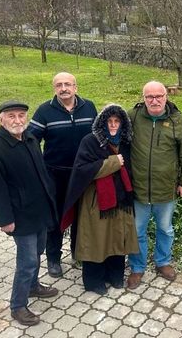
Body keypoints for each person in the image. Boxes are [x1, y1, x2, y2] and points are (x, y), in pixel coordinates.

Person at [0, 100, 59, 326]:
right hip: (20, 216)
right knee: (26, 261)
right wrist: (5, 220)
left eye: (21, 116)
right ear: (1, 119)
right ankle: (18, 306)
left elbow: (41, 172)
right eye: (11, 116)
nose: (17, 121)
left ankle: (34, 286)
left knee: (38, 252)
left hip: (40, 210)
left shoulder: (30, 139)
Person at [62, 104, 139, 295]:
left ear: (122, 124)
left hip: (121, 201)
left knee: (117, 239)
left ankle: (114, 276)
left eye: (116, 121)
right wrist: (113, 162)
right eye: (109, 121)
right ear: (102, 123)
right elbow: (81, 170)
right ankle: (93, 281)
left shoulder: (125, 142)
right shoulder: (90, 141)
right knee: (97, 240)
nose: (113, 125)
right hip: (97, 202)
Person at [29, 72, 97, 278]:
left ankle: (79, 252)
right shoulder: (44, 111)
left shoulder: (90, 107)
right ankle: (53, 258)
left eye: (68, 84)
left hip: (83, 174)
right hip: (55, 175)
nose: (64, 88)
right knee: (55, 218)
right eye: (59, 85)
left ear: (76, 87)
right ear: (54, 89)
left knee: (82, 215)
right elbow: (31, 140)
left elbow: (98, 134)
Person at [127, 81, 182, 289]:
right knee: (137, 231)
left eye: (159, 96)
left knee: (165, 229)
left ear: (166, 96)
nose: (154, 101)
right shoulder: (133, 117)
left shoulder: (177, 120)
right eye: (149, 97)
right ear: (143, 98)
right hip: (138, 189)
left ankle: (162, 262)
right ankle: (137, 267)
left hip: (166, 189)